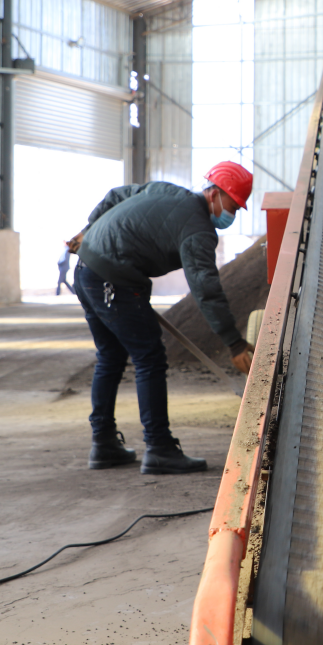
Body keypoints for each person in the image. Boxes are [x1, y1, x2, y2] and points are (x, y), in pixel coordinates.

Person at [66, 161, 255, 475]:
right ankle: (159, 448)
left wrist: (86, 232)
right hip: (114, 280)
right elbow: (206, 289)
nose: (232, 214)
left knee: (111, 356)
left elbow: (115, 196)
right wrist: (234, 343)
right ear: (216, 194)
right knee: (149, 358)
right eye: (233, 205)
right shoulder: (198, 230)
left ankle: (103, 444)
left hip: (86, 271)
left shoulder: (164, 190)